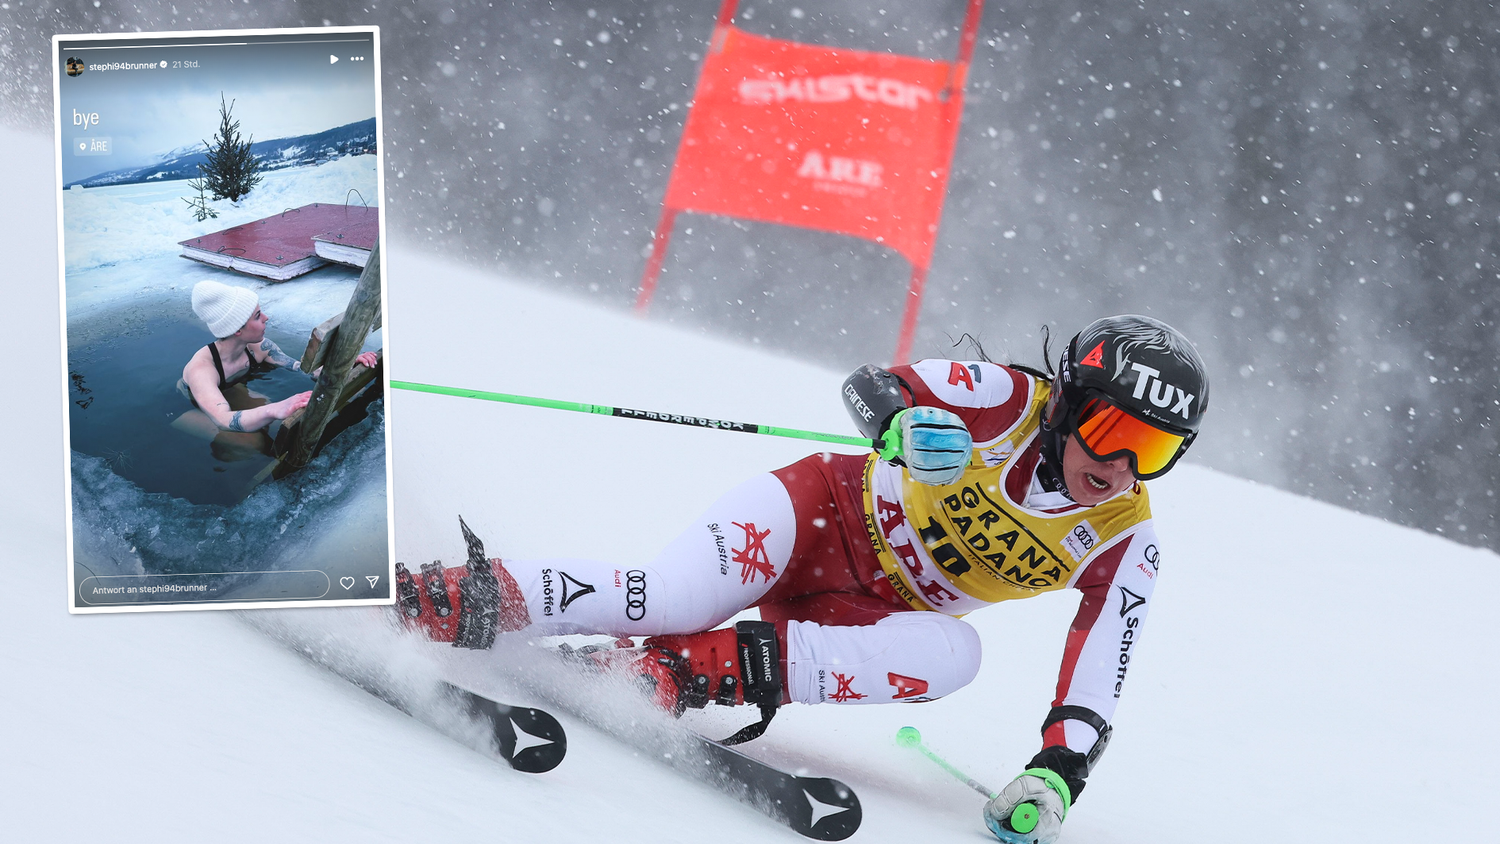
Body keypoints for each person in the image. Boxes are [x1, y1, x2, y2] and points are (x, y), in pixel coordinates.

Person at [399, 314, 1208, 844]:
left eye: (1154, 450)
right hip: (815, 516)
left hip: (859, 614)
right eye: (1110, 428)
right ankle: (442, 598)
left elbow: (1098, 676)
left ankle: (674, 671)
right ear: (1067, 404)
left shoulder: (1123, 538)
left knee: (955, 655)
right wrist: (900, 424)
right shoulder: (1009, 401)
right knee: (672, 595)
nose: (1120, 466)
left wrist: (1056, 774)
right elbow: (871, 384)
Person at [177, 279, 378, 438]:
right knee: (253, 442)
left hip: (230, 390)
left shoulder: (259, 348)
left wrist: (344, 364)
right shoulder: (202, 370)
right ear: (237, 329)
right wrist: (275, 408)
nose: (266, 318)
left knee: (274, 425)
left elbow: (302, 369)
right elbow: (223, 420)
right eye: (257, 316)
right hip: (189, 405)